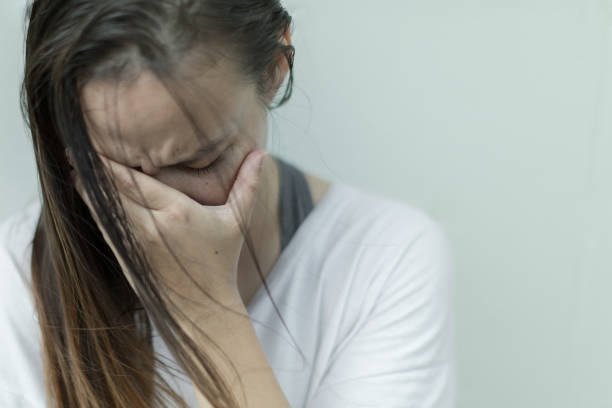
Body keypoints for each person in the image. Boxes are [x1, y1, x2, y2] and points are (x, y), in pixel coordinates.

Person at [0, 0, 456, 407]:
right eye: (114, 171)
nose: (165, 210)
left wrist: (204, 310)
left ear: (276, 68)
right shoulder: (16, 277)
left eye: (200, 162)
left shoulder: (383, 256)